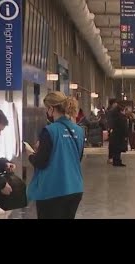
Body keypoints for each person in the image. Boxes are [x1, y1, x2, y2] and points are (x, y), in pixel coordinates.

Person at [26, 91, 84, 219]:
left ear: (51, 109)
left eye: (47, 109)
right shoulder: (79, 131)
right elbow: (77, 157)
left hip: (52, 190)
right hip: (75, 188)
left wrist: (30, 154)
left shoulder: (50, 130)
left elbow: (41, 162)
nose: (47, 113)